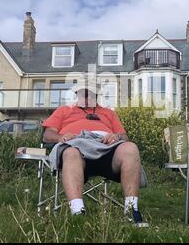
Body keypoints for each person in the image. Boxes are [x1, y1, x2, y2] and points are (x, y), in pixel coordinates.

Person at [42, 81, 146, 226]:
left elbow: (124, 136)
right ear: (76, 94)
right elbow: (47, 134)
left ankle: (131, 211)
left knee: (130, 148)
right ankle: (78, 212)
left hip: (106, 147)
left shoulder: (108, 112)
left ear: (96, 95)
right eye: (83, 93)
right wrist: (61, 137)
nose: (87, 96)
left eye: (90, 93)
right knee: (71, 152)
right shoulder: (64, 110)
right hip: (76, 145)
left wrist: (116, 136)